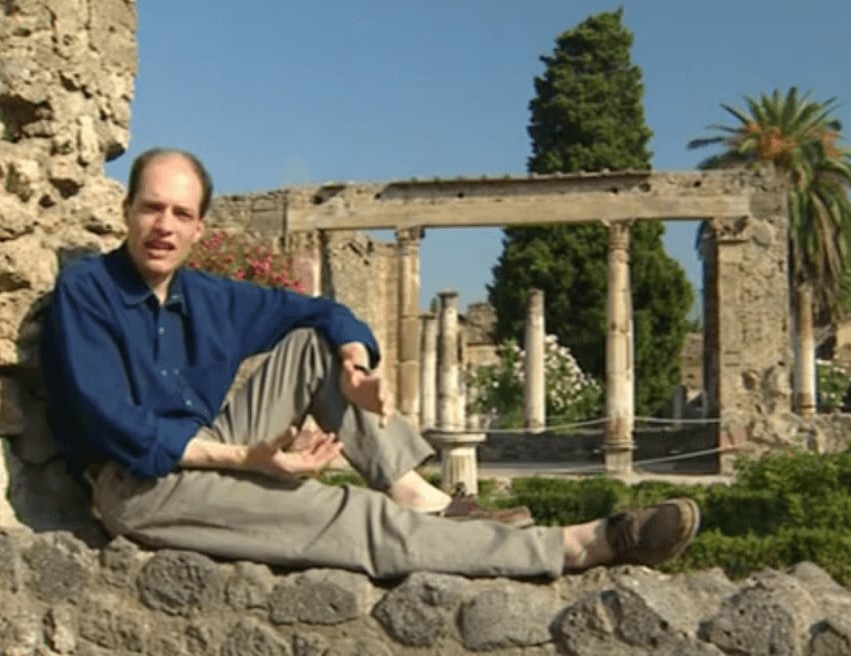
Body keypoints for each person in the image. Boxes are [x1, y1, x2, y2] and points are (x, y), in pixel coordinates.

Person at [40, 147, 699, 579]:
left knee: (315, 343)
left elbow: (324, 313)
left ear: (198, 228)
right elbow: (119, 429)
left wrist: (356, 362)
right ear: (127, 212)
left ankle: (421, 497)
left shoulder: (209, 296)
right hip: (140, 487)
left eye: (180, 213)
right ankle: (582, 544)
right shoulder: (86, 291)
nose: (164, 225)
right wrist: (252, 461)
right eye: (152, 207)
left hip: (208, 443)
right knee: (352, 515)